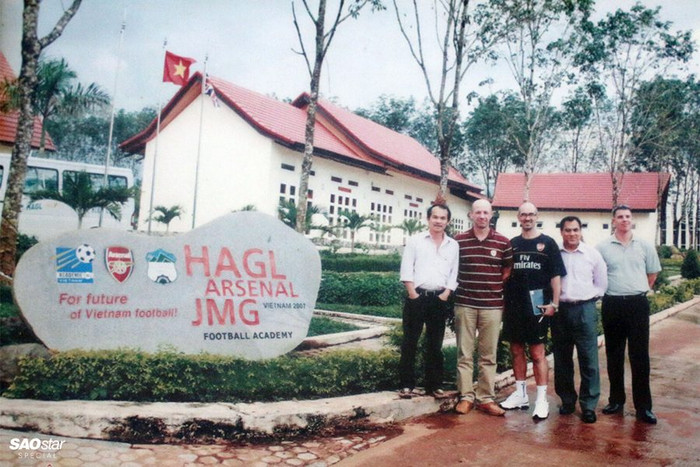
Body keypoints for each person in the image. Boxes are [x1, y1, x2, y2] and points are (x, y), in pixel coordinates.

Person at [499, 202, 566, 420]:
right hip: (514, 305)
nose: (527, 218)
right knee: (516, 350)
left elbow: (556, 276)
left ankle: (541, 399)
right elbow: (504, 275)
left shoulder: (548, 243)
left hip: (537, 306)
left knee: (537, 354)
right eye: (523, 215)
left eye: (531, 214)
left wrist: (554, 304)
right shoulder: (512, 244)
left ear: (537, 216)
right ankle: (520, 395)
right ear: (518, 217)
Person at [596, 205, 661, 424]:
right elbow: (597, 274)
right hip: (612, 304)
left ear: (631, 220)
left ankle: (644, 407)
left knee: (640, 356)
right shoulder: (602, 247)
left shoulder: (644, 245)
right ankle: (616, 401)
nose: (624, 220)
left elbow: (652, 274)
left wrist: (636, 289)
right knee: (614, 355)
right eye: (620, 217)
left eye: (628, 216)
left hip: (637, 305)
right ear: (613, 220)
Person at [453, 199, 513, 416]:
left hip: (492, 306)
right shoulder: (459, 241)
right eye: (478, 212)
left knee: (488, 355)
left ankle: (485, 398)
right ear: (471, 215)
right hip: (465, 304)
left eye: (486, 212)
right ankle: (466, 396)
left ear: (491, 215)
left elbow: (507, 270)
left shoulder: (503, 242)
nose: (482, 216)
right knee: (464, 353)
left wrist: (492, 286)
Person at [398, 202, 459, 397]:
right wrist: (412, 294)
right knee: (410, 342)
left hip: (439, 299)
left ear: (447, 221)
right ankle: (406, 384)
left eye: (443, 218)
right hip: (417, 297)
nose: (438, 221)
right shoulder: (415, 241)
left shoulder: (453, 245)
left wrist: (446, 294)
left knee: (435, 344)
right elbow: (407, 268)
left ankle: (434, 385)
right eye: (435, 217)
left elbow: (454, 273)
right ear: (428, 219)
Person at [554, 216, 608, 424]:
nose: (572, 234)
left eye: (575, 230)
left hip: (585, 309)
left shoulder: (592, 254)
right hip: (560, 310)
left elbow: (601, 283)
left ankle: (588, 405)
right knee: (562, 359)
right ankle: (567, 401)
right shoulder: (555, 253)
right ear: (561, 232)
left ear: (581, 231)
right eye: (567, 230)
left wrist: (589, 299)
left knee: (589, 359)